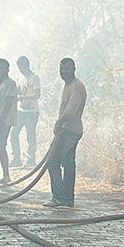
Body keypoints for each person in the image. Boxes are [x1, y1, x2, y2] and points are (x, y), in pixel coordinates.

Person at [45, 58, 86, 207]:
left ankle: (59, 197)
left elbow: (70, 112)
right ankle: (67, 199)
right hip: (68, 130)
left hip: (70, 130)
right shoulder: (68, 85)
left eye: (66, 69)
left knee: (52, 161)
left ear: (74, 69)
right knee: (68, 164)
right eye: (61, 69)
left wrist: (58, 124)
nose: (63, 72)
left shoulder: (77, 87)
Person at [10, 56, 41, 168]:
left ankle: (31, 159)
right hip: (21, 111)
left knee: (30, 135)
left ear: (27, 66)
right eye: (19, 68)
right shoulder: (21, 76)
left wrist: (22, 98)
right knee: (14, 134)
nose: (21, 70)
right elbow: (20, 89)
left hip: (31, 112)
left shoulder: (34, 78)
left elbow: (37, 94)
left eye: (22, 68)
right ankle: (16, 158)